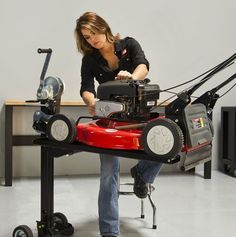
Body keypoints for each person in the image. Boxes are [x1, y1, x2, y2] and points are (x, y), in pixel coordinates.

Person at [74, 12, 162, 237]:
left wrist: (131, 77)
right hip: (111, 119)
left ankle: (142, 176)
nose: (92, 39)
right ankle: (110, 232)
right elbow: (86, 87)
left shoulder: (128, 44)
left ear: (103, 28)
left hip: (138, 114)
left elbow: (144, 66)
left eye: (93, 33)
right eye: (86, 37)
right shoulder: (90, 59)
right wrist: (91, 101)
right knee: (108, 172)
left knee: (164, 143)